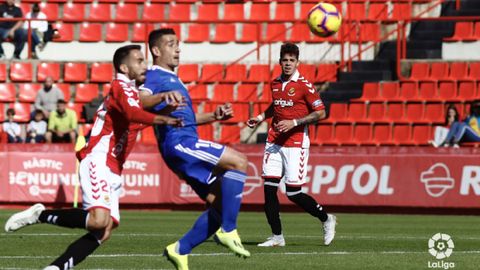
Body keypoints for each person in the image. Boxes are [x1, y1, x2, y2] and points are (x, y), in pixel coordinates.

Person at [4, 44, 183, 269]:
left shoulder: (133, 95)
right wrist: (163, 115)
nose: (144, 65)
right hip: (98, 158)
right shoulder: (120, 86)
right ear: (124, 67)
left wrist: (208, 116)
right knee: (98, 220)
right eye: (139, 60)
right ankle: (40, 215)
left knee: (103, 230)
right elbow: (132, 113)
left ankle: (55, 267)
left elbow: (138, 114)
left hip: (114, 168)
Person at [139, 28, 250, 270]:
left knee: (219, 203)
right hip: (179, 142)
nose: (177, 49)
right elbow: (140, 101)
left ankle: (179, 250)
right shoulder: (152, 76)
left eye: (178, 44)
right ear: (156, 51)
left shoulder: (173, 79)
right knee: (240, 162)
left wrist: (214, 116)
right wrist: (161, 97)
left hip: (183, 141)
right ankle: (228, 231)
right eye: (170, 44)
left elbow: (185, 117)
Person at [247, 43, 336, 247]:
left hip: (296, 144)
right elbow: (276, 106)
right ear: (280, 62)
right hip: (274, 141)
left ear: (297, 62)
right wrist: (260, 117)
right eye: (284, 60)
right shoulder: (275, 83)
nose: (288, 64)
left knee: (293, 193)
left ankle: (326, 219)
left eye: (291, 60)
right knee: (269, 190)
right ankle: (277, 237)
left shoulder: (305, 85)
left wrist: (295, 122)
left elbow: (321, 112)